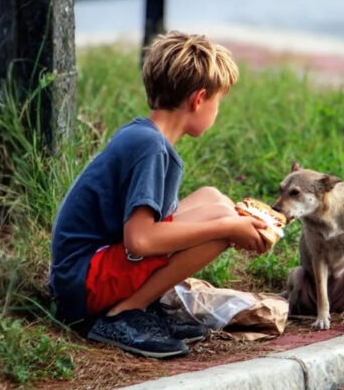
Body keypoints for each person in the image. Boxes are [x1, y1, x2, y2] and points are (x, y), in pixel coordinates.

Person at [50, 31, 268, 358]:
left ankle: (136, 305)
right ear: (198, 99)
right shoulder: (151, 148)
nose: (216, 111)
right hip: (84, 283)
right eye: (217, 102)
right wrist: (228, 229)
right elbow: (140, 241)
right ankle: (124, 314)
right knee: (223, 226)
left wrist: (232, 220)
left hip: (84, 268)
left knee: (215, 200)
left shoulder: (145, 135)